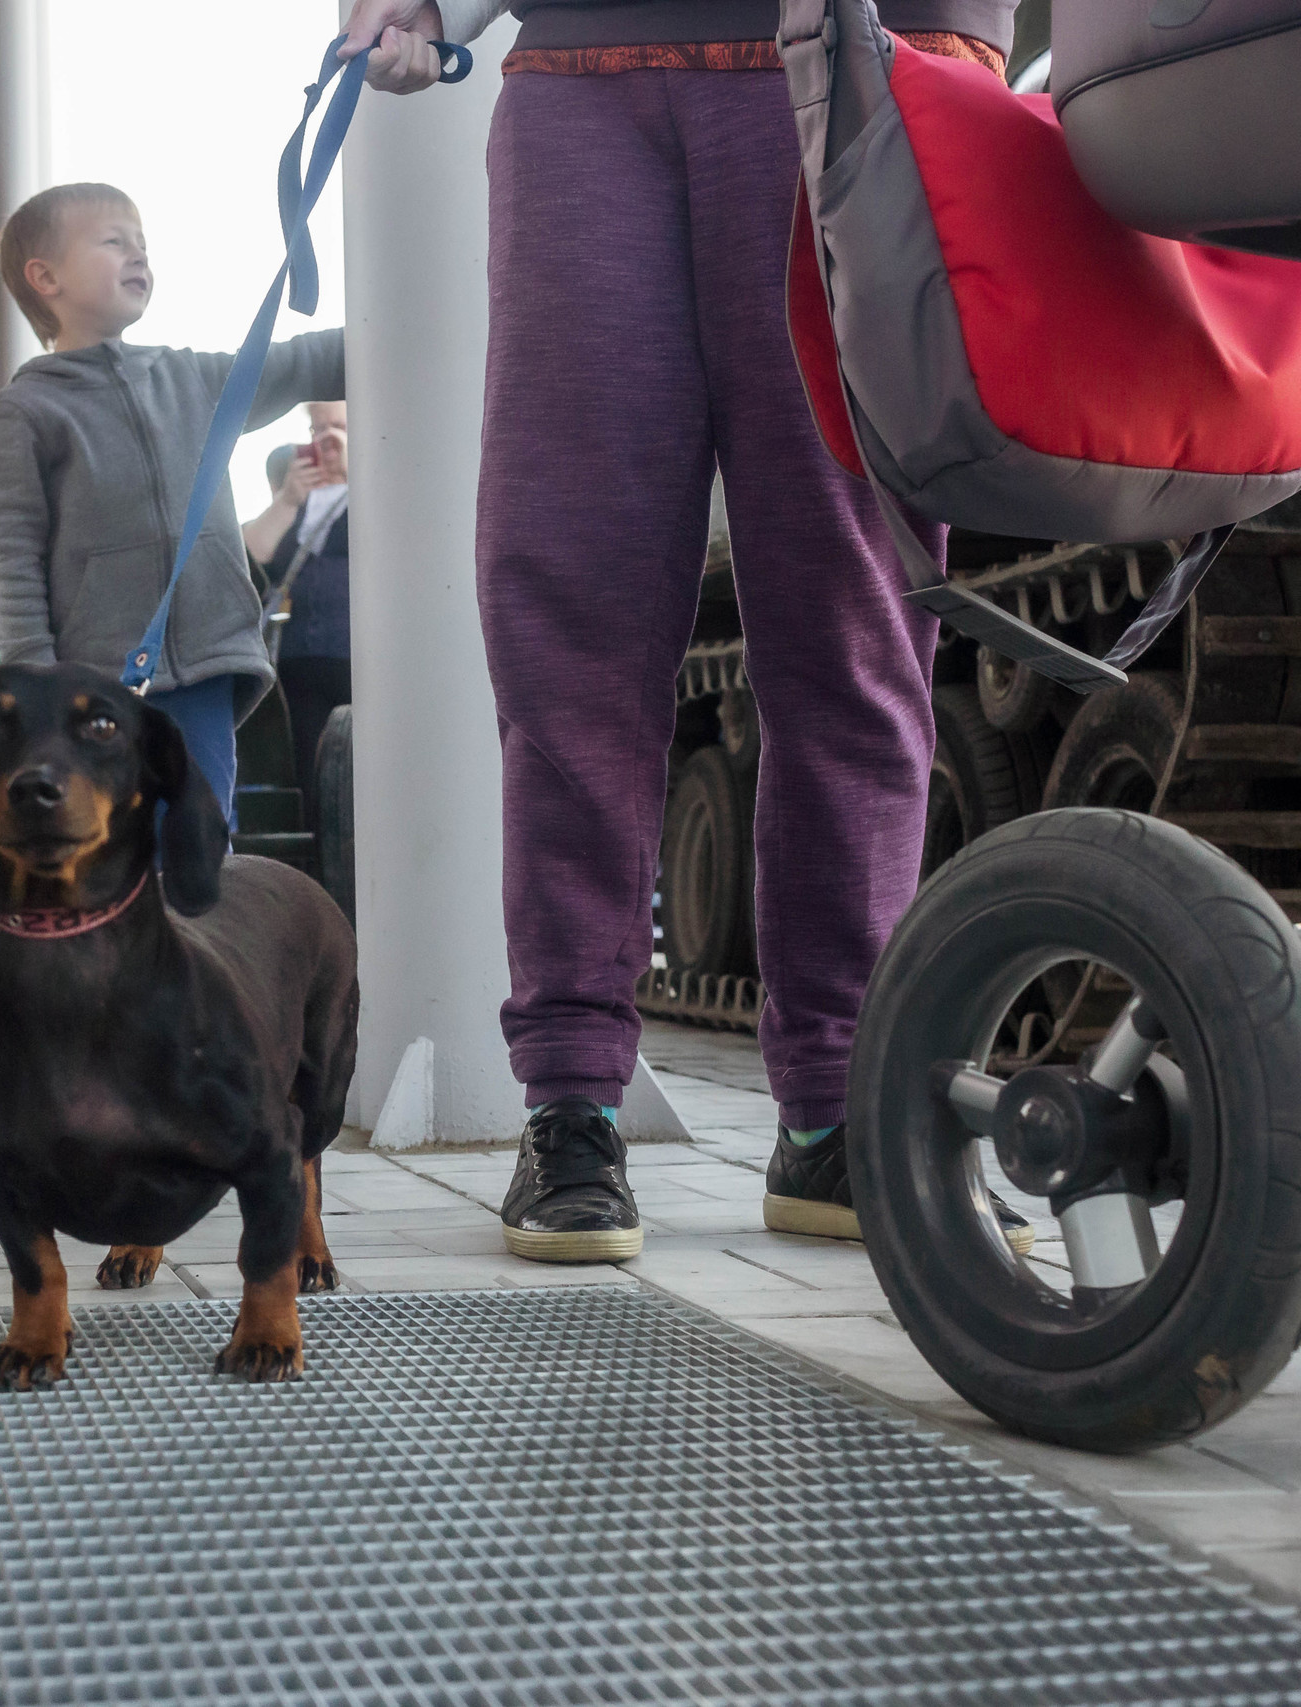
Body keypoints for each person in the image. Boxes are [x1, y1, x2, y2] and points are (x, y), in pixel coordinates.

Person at [342, 0, 1030, 1263]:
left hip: (864, 63)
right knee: (567, 606)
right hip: (583, 75)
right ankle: (569, 1102)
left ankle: (838, 1108)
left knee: (851, 617)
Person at [0, 183, 346, 828]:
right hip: (90, 692)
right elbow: (14, 559)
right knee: (103, 854)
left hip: (205, 663)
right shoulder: (23, 413)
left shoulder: (192, 379)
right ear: (45, 277)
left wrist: (412, 302)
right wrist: (36, 684)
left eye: (143, 244)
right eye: (114, 241)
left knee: (201, 853)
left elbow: (309, 360)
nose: (139, 256)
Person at [244, 403, 353, 830]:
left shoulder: (384, 482)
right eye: (318, 428)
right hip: (300, 662)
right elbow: (251, 557)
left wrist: (355, 467)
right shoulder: (300, 500)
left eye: (339, 427)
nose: (327, 438)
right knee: (311, 771)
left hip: (359, 657)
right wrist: (289, 499)